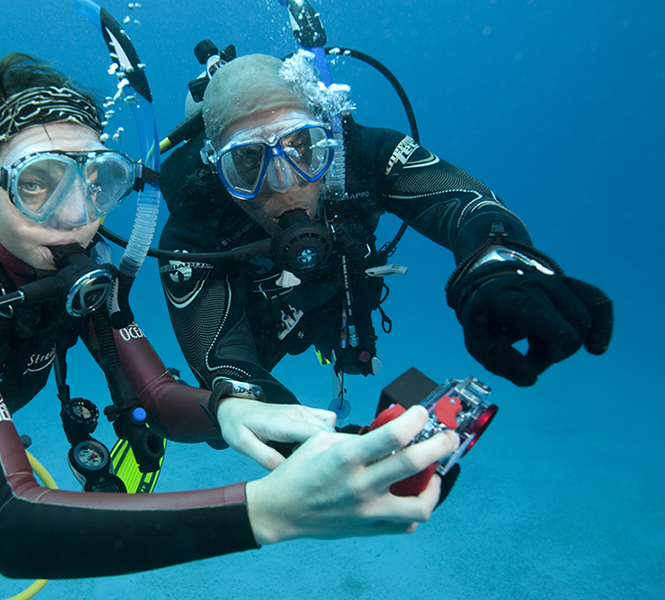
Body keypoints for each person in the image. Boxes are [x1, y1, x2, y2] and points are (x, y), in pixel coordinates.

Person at [0, 54, 460, 600]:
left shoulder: (72, 268)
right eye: (37, 183)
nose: (76, 215)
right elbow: (9, 524)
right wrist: (269, 512)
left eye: (95, 180)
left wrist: (228, 412)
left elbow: (155, 395)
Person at [158, 53, 613, 418]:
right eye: (247, 162)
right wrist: (290, 433)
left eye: (301, 147)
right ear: (216, 169)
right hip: (261, 324)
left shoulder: (362, 154)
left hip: (338, 304)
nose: (284, 182)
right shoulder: (194, 224)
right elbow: (220, 360)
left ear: (326, 136)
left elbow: (467, 203)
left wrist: (494, 266)